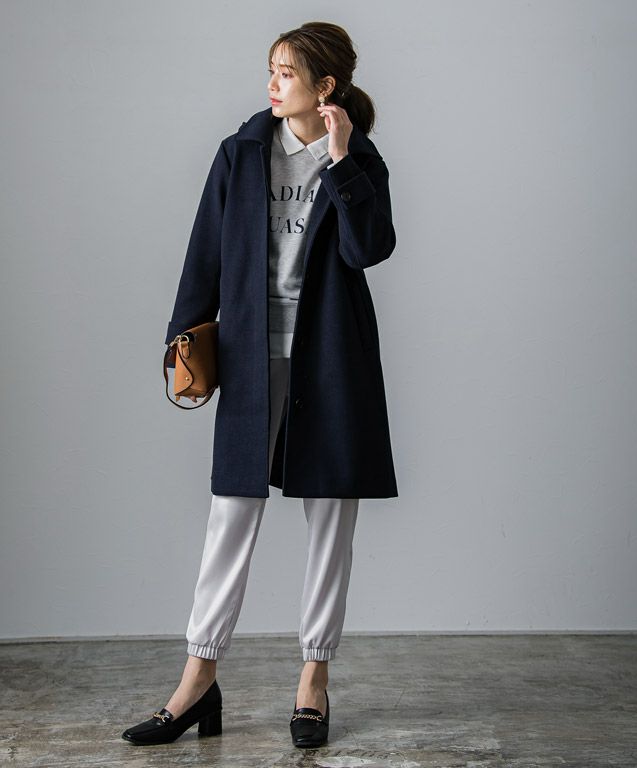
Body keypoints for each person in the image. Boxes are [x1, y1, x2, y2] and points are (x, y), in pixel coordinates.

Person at [121, 20, 398, 750]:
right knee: (230, 514)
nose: (272, 83)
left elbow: (370, 249)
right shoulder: (241, 152)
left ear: (324, 86)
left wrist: (341, 161)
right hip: (250, 356)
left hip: (329, 357)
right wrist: (183, 337)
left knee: (330, 519)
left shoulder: (359, 158)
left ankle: (314, 681)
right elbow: (205, 252)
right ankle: (197, 681)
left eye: (286, 72)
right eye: (270, 69)